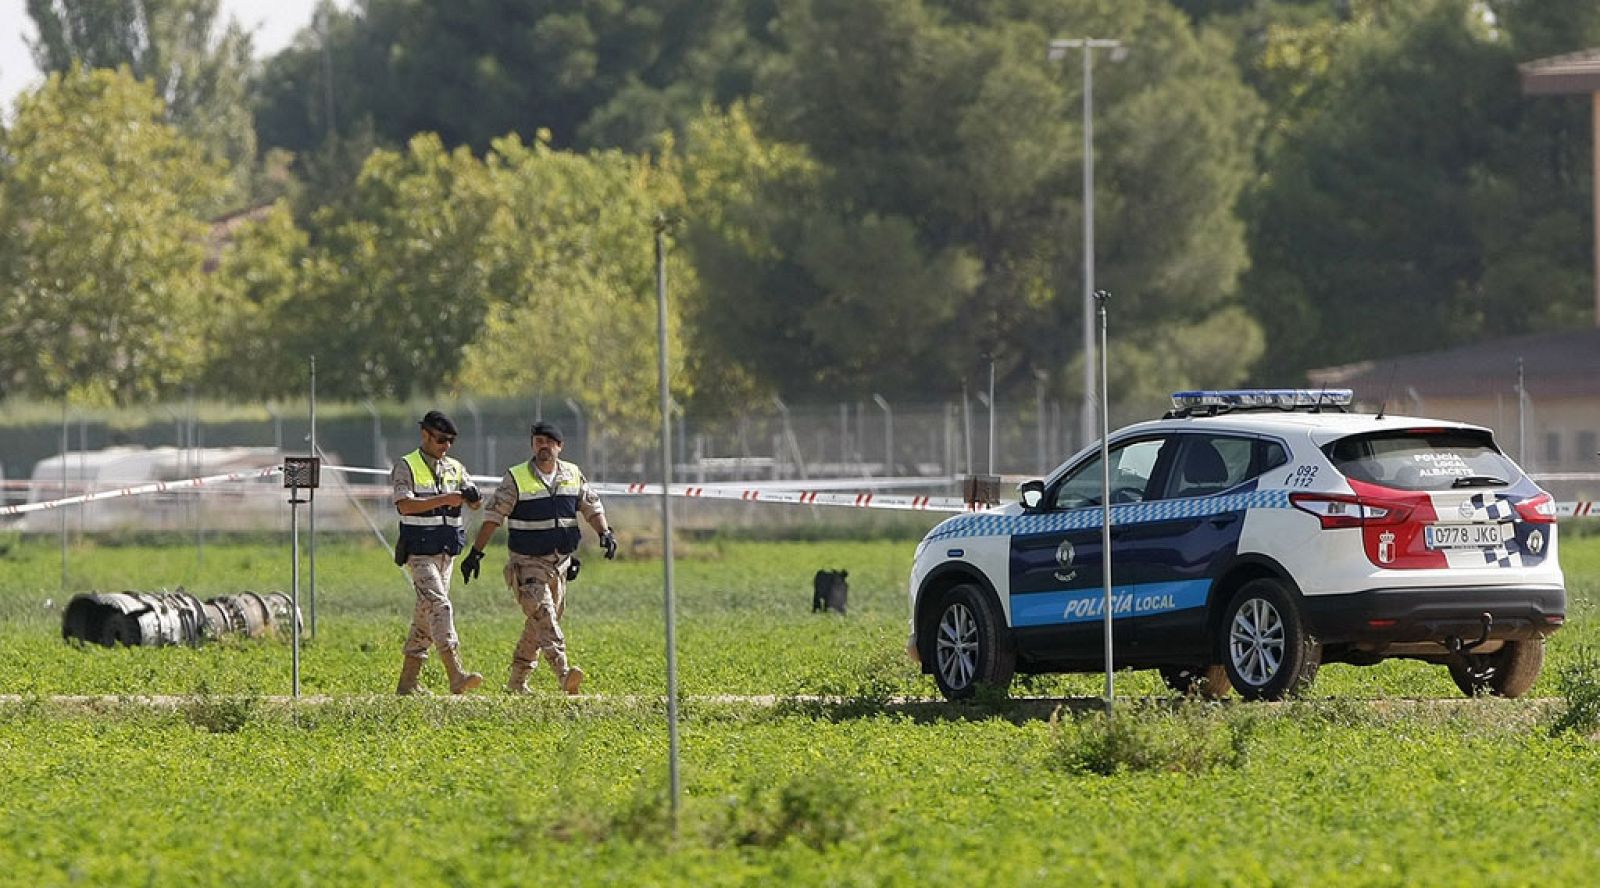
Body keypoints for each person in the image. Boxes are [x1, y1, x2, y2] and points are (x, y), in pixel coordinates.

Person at [460, 420, 617, 695]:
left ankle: (517, 682)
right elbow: (494, 517)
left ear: (560, 446)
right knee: (544, 616)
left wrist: (605, 532)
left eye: (549, 442)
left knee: (539, 624)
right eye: (538, 442)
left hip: (560, 565)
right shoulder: (517, 477)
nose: (543, 446)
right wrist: (476, 553)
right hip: (528, 564)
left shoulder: (572, 474)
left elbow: (590, 505)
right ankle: (565, 674)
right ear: (533, 445)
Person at [391, 410, 485, 695]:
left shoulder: (455, 468)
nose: (446, 446)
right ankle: (455, 673)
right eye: (441, 439)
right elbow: (404, 505)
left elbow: (476, 504)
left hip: (446, 553)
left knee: (425, 617)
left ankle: (408, 683)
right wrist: (445, 499)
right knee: (440, 606)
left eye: (450, 441)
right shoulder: (406, 466)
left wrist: (473, 496)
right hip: (419, 552)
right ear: (425, 435)